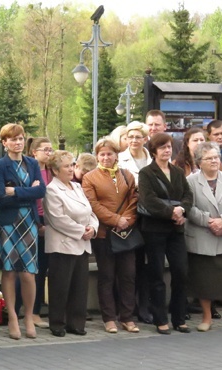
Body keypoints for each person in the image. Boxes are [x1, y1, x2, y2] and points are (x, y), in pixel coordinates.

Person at [0, 124, 46, 340]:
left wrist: (16, 190)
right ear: (4, 142)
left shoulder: (32, 163)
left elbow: (41, 190)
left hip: (28, 222)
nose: (17, 142)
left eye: (21, 138)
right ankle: (12, 316)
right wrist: (28, 191)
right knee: (9, 271)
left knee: (28, 272)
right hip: (8, 223)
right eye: (12, 139)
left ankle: (28, 316)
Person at [138, 132, 193, 335]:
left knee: (180, 271)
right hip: (154, 229)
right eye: (162, 147)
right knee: (157, 273)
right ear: (154, 151)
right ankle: (160, 318)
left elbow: (188, 195)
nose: (167, 150)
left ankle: (179, 317)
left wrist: (182, 210)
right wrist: (172, 212)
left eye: (169, 147)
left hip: (176, 229)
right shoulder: (146, 173)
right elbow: (148, 200)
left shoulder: (177, 172)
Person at [82, 139, 139, 334]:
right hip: (104, 234)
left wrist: (127, 220)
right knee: (106, 276)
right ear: (97, 156)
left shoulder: (127, 175)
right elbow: (93, 204)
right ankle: (109, 318)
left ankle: (127, 317)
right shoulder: (90, 177)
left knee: (128, 275)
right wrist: (115, 220)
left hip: (126, 233)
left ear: (116, 155)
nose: (106, 158)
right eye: (102, 154)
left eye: (110, 154)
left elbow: (134, 199)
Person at [185, 142, 222, 333]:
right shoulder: (191, 181)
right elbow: (189, 207)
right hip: (202, 235)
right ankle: (207, 318)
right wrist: (209, 221)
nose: (214, 161)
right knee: (204, 280)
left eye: (217, 157)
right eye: (209, 158)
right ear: (199, 161)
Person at [43, 150, 98, 337]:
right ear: (56, 171)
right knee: (60, 286)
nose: (71, 169)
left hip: (82, 244)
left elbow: (89, 212)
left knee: (79, 287)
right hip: (63, 245)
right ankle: (58, 323)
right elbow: (58, 219)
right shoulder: (51, 190)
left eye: (72, 165)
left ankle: (76, 323)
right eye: (66, 166)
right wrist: (82, 231)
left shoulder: (77, 187)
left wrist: (93, 228)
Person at [117, 120, 152, 325]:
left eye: (138, 137)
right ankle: (127, 307)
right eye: (130, 137)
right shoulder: (120, 159)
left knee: (146, 264)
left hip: (150, 217)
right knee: (130, 264)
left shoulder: (152, 159)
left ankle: (144, 306)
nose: (134, 140)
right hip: (129, 215)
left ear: (145, 139)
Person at [17, 137, 53, 329]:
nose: (49, 153)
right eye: (45, 149)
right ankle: (19, 310)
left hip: (50, 221)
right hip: (32, 220)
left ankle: (36, 311)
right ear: (34, 152)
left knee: (42, 269)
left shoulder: (51, 171)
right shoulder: (29, 169)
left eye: (51, 150)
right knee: (27, 269)